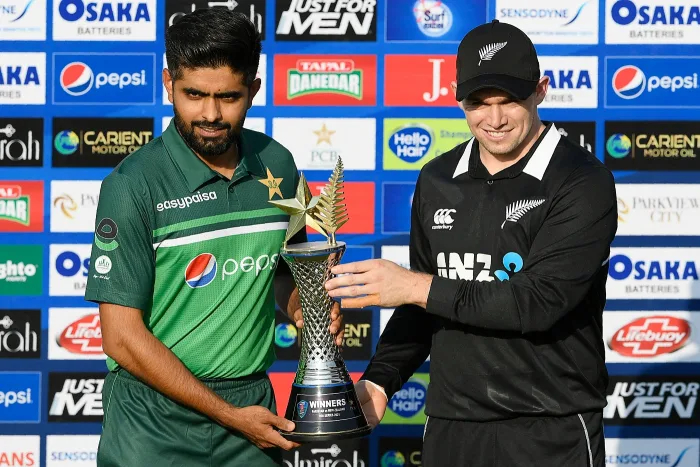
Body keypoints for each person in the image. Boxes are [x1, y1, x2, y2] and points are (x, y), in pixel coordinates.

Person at [325, 20, 617, 467]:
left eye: (509, 101)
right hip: (451, 427)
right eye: (478, 103)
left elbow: (540, 301)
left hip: (551, 427)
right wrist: (381, 380)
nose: (494, 119)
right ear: (457, 96)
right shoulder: (437, 178)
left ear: (540, 90)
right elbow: (424, 302)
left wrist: (414, 288)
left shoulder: (582, 180)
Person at [84, 9, 343, 467]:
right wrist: (229, 415)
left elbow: (287, 270)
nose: (210, 114)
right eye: (193, 95)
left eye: (228, 97)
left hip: (250, 414)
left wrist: (305, 308)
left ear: (254, 91)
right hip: (152, 422)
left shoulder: (277, 163)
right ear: (168, 83)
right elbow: (121, 337)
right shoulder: (132, 185)